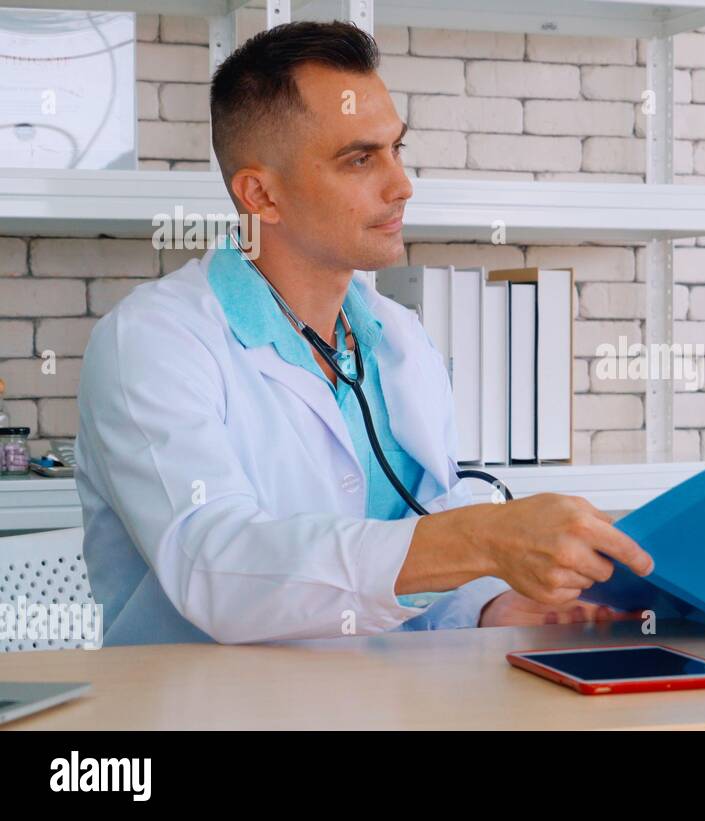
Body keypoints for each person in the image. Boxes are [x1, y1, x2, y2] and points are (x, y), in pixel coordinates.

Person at [76, 21, 652, 646]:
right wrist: (486, 538)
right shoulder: (153, 343)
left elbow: (426, 519)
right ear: (261, 194)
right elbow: (215, 569)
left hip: (386, 696)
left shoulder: (397, 336)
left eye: (396, 149)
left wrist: (490, 605)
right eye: (360, 159)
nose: (401, 184)